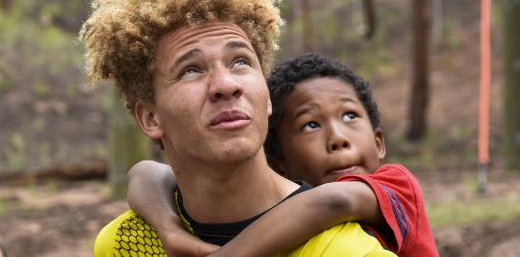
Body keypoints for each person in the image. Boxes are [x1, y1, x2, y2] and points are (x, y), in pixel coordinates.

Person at [81, 0, 394, 257]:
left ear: (267, 97)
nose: (226, 84)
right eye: (191, 70)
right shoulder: (125, 245)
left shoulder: (349, 251)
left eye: (240, 61)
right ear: (151, 117)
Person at [129, 54, 439, 256]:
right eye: (311, 125)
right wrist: (167, 227)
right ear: (278, 162)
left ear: (379, 142)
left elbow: (331, 202)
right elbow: (146, 172)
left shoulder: (398, 186)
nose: (339, 139)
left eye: (349, 116)